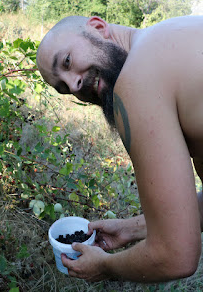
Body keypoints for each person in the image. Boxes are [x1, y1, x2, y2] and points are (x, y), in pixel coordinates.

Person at [36, 15, 203, 282]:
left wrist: (105, 267)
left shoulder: (137, 80)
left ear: (98, 27)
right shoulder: (173, 36)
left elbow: (174, 256)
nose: (74, 85)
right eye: (63, 89)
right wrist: (135, 228)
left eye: (67, 61)